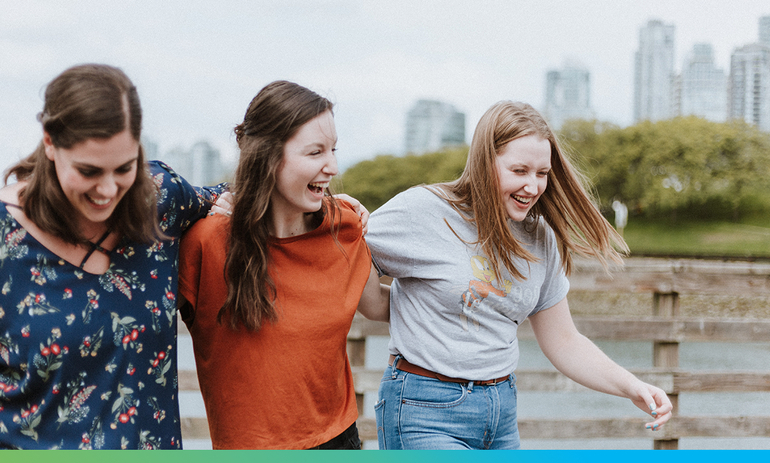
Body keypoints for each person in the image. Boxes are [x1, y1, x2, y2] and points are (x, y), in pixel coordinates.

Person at [366, 101, 673, 450]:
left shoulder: (540, 238)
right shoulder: (424, 211)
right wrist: (391, 305)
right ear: (485, 163)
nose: (533, 186)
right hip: (424, 411)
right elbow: (350, 257)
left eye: (542, 173)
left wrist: (631, 386)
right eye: (519, 170)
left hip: (500, 413)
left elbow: (564, 342)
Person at [0, 64, 231, 449]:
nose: (108, 190)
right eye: (89, 171)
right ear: (50, 143)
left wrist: (333, 212)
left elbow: (235, 198)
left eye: (125, 168)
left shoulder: (161, 197)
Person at [177, 80, 389, 450]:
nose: (332, 166)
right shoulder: (205, 242)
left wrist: (467, 291)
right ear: (268, 156)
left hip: (340, 442)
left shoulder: (346, 226)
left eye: (334, 150)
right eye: (315, 153)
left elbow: (379, 306)